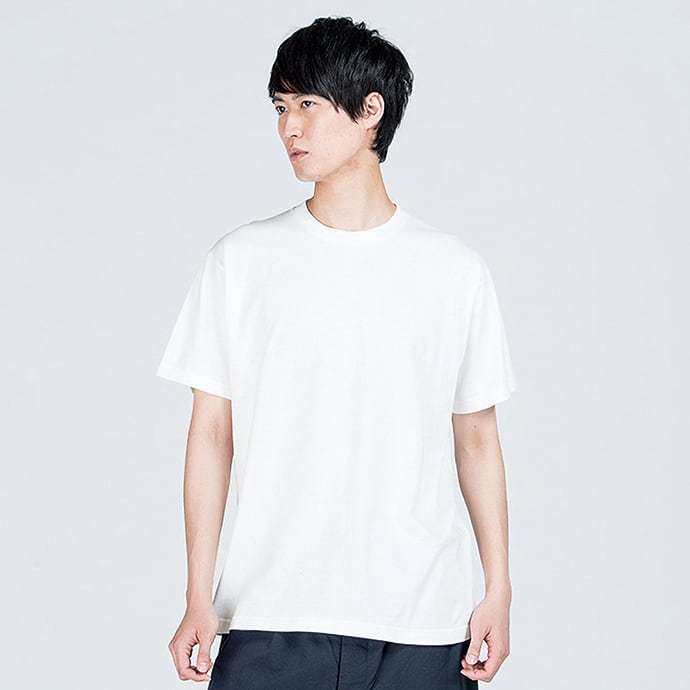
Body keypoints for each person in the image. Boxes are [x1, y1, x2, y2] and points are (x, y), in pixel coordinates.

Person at [156, 15, 517, 689]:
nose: (289, 128)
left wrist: (498, 589)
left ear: (370, 110)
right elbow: (211, 433)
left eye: (307, 104)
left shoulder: (454, 271)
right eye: (280, 107)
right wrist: (197, 593)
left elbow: (476, 436)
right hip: (271, 615)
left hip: (423, 622)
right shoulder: (241, 262)